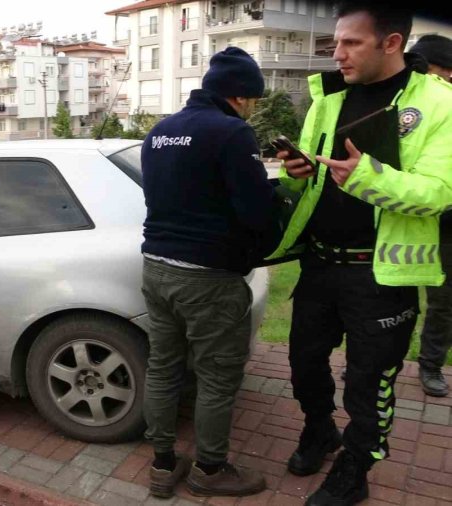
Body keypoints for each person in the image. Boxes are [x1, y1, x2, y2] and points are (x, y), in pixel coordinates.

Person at [266, 3, 452, 504]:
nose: (337, 53)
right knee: (304, 362)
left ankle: (355, 467)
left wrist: (368, 177)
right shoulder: (328, 96)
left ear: (391, 43)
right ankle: (319, 429)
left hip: (381, 273)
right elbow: (313, 168)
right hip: (320, 262)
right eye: (336, 41)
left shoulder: (440, 103)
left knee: (370, 383)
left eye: (351, 43)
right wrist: (296, 171)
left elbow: (440, 191)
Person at [140, 47, 280, 499]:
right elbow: (256, 213)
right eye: (253, 101)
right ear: (239, 96)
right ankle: (210, 469)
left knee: (163, 368)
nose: (252, 109)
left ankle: (163, 466)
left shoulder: (160, 132)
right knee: (217, 377)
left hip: (156, 267)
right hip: (208, 278)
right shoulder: (232, 133)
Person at [409, 34, 452, 397]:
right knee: (392, 290)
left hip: (449, 222)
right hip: (407, 215)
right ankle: (376, 357)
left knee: (443, 300)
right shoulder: (402, 105)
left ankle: (431, 364)